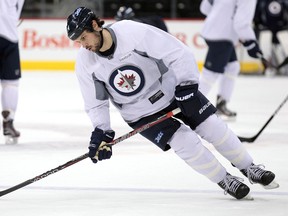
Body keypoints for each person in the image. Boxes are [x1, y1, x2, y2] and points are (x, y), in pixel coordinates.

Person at [66, 7, 279, 200]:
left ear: (95, 25)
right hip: (140, 113)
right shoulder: (85, 63)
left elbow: (178, 52)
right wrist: (102, 131)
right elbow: (96, 103)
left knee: (212, 126)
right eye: (79, 42)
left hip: (172, 91)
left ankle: (249, 167)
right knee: (185, 142)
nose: (84, 46)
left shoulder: (131, 32)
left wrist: (186, 85)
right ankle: (224, 179)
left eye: (84, 38)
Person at [199, 0, 265, 119]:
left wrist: (221, 16)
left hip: (214, 30)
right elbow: (241, 23)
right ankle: (187, 107)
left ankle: (221, 103)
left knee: (232, 67)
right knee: (210, 74)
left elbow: (205, 8)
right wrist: (250, 43)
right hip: (222, 35)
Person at [0, 0, 24, 144]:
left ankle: (9, 121)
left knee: (11, 83)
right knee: (11, 83)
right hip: (10, 35)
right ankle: (8, 121)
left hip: (10, 35)